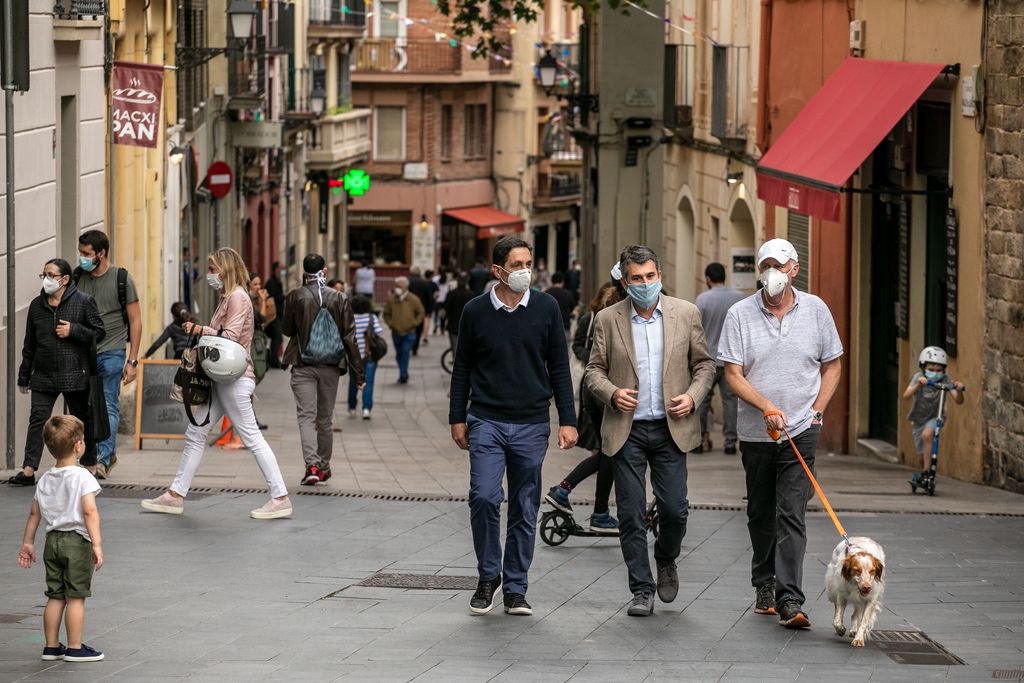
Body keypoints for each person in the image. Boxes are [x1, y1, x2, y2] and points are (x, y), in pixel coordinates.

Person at [718, 238, 843, 629]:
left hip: (802, 430)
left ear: (794, 268)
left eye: (778, 265)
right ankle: (764, 582)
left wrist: (818, 409)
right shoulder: (739, 314)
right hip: (757, 433)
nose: (771, 272)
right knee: (760, 512)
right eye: (765, 265)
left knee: (791, 513)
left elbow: (833, 364)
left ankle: (791, 600)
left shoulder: (817, 310)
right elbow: (733, 375)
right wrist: (765, 406)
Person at [449, 236, 578, 617]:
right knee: (485, 496)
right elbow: (462, 368)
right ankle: (488, 577)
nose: (525, 271)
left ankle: (516, 587)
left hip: (531, 423)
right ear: (498, 271)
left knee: (524, 505)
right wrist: (458, 416)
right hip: (486, 419)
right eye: (517, 264)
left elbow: (559, 366)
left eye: (528, 263)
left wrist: (568, 420)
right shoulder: (475, 310)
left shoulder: (546, 307)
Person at [585, 244, 715, 617]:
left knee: (675, 510)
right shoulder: (608, 319)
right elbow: (593, 370)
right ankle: (641, 589)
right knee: (629, 514)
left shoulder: (685, 313)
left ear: (660, 276)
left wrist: (692, 397)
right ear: (625, 282)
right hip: (626, 430)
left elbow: (704, 365)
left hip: (670, 428)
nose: (645, 283)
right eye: (637, 278)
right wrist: (611, 393)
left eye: (651, 276)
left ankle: (666, 557)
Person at [140, 247, 293, 520]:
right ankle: (174, 495)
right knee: (196, 433)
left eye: (213, 270)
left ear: (226, 270)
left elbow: (231, 336)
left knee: (252, 437)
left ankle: (280, 496)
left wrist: (200, 330)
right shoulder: (229, 297)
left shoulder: (237, 297)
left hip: (234, 380)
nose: (210, 275)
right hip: (225, 381)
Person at [9, 259, 106, 486]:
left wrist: (74, 330)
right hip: (43, 374)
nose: (46, 279)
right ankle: (29, 470)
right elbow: (29, 343)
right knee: (37, 420)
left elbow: (99, 332)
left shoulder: (83, 302)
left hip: (75, 373)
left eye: (51, 275)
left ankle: (90, 467)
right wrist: (24, 375)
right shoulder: (36, 305)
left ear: (64, 280)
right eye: (43, 275)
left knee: (83, 422)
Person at [17, 415, 105, 662]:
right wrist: (96, 544)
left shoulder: (46, 478)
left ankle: (52, 646)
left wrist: (27, 542)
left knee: (55, 595)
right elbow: (89, 511)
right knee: (75, 596)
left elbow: (35, 513)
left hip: (52, 541)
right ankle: (75, 647)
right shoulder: (83, 477)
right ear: (78, 446)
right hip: (77, 542)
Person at [547, 282, 625, 533]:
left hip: (596, 391)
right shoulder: (613, 322)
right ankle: (590, 506)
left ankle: (571, 494)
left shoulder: (599, 318)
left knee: (606, 453)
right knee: (608, 453)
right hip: (606, 393)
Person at [281, 254, 364, 486]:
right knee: (325, 419)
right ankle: (324, 468)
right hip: (330, 366)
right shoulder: (339, 298)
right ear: (324, 271)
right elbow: (350, 338)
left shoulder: (295, 296)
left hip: (303, 364)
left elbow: (287, 329)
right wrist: (360, 373)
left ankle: (312, 465)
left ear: (303, 271)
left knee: (306, 417)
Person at [74, 230, 142, 480]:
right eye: (80, 252)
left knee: (109, 404)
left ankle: (103, 458)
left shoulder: (121, 278)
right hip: (83, 351)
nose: (81, 257)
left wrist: (132, 360)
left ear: (101, 253)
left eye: (86, 253)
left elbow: (135, 321)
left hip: (112, 351)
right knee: (84, 407)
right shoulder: (77, 275)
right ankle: (91, 455)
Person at [695, 262, 746, 454]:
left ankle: (699, 440)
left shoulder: (702, 300)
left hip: (706, 360)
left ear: (708, 279)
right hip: (731, 360)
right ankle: (730, 443)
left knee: (701, 401)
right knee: (730, 401)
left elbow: (695, 329)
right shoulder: (739, 298)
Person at [903, 346, 965, 483]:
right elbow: (906, 396)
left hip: (935, 416)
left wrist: (959, 389)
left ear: (944, 371)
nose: (935, 373)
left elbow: (958, 400)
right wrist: (917, 386)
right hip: (918, 418)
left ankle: (928, 472)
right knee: (922, 454)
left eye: (939, 371)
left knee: (928, 435)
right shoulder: (918, 377)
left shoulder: (945, 380)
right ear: (923, 367)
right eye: (931, 370)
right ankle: (924, 471)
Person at [383, 277, 425, 384]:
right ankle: (404, 372)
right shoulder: (392, 299)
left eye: (400, 286)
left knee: (405, 353)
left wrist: (415, 323)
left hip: (409, 332)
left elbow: (421, 313)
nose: (397, 288)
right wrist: (390, 324)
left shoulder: (414, 299)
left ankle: (403, 375)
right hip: (396, 332)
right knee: (399, 354)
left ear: (405, 287)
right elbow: (386, 313)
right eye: (397, 286)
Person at [348, 294, 383, 420]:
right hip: (369, 355)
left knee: (353, 382)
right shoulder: (371, 317)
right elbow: (379, 332)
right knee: (368, 382)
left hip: (353, 357)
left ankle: (352, 407)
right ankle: (366, 409)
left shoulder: (349, 318)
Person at [408, 267, 436, 352]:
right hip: (421, 309)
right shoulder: (424, 283)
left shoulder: (407, 282)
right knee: (419, 329)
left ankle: (409, 344)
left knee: (409, 327)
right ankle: (415, 346)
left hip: (409, 309)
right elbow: (429, 297)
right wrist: (429, 310)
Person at [444, 273, 473, 352]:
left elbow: (445, 309)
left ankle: (456, 361)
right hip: (467, 325)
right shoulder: (471, 295)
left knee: (455, 347)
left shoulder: (451, 294)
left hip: (453, 324)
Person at [264, 262, 286, 368]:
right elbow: (271, 299)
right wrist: (283, 297)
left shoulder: (278, 282)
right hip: (273, 315)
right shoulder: (271, 283)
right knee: (277, 337)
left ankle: (274, 359)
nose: (282, 271)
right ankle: (273, 360)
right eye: (280, 269)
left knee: (277, 338)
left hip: (278, 315)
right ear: (275, 269)